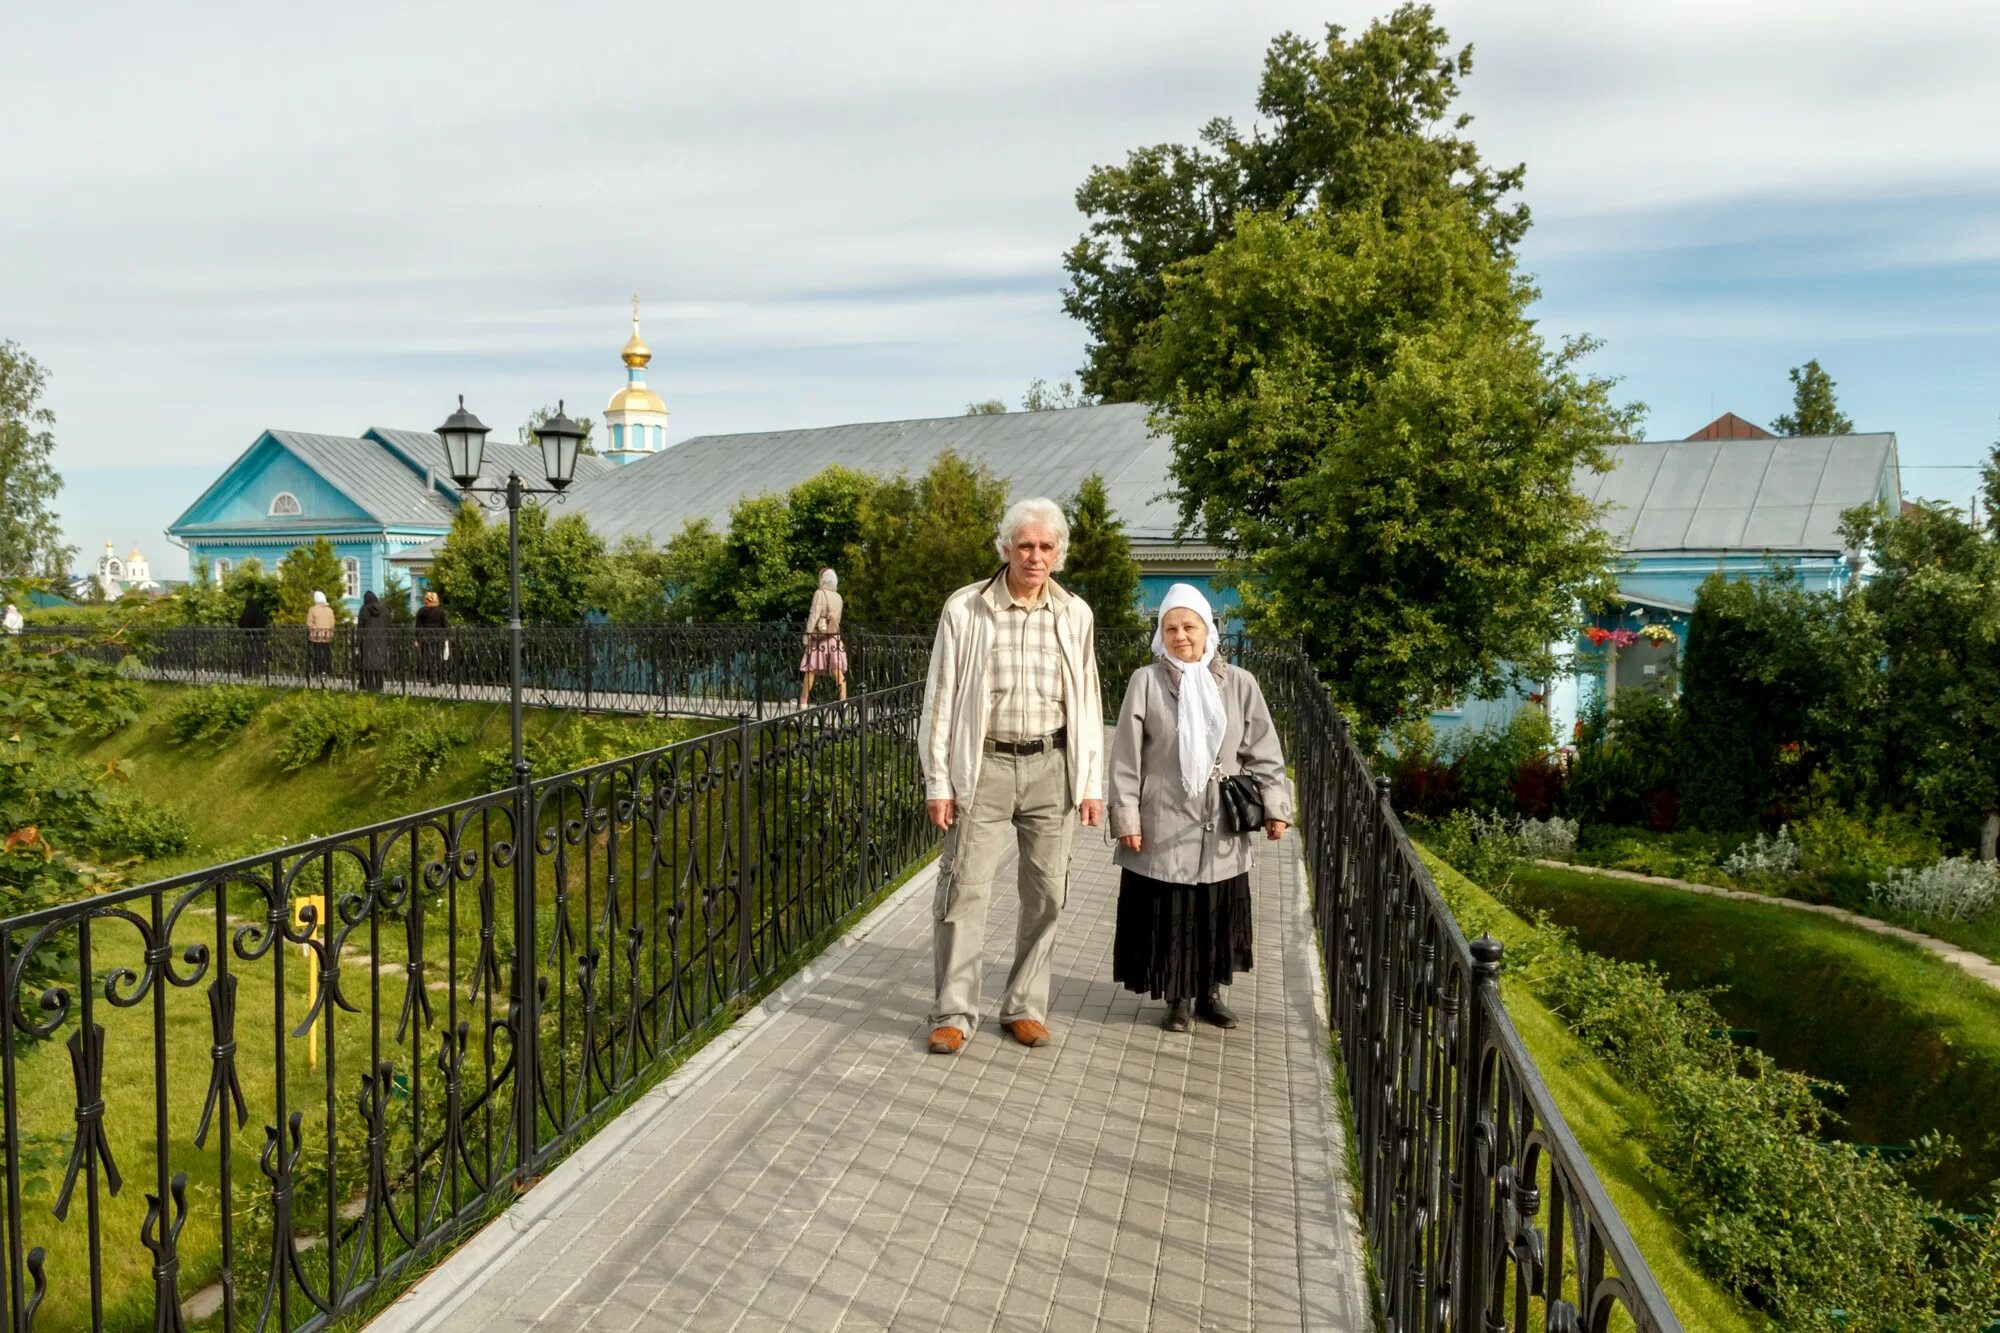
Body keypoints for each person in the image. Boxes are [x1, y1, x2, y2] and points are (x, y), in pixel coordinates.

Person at [920, 497, 1104, 1055]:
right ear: (1005, 548)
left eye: (1046, 547)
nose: (1035, 556)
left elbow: (1089, 699)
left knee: (1048, 892)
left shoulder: (1075, 614)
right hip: (985, 766)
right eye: (1025, 545)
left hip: (1052, 767)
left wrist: (1090, 782)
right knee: (964, 890)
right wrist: (938, 781)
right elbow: (941, 699)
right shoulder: (966, 609)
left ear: (1059, 555)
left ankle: (1024, 1007)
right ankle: (954, 1011)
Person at [1107, 584, 1292, 1032]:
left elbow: (1263, 750)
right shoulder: (1146, 682)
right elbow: (1126, 759)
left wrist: (1275, 806)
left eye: (1189, 626)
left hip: (1220, 822)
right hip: (1162, 819)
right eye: (1170, 627)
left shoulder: (1240, 683)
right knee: (1171, 910)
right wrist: (1126, 819)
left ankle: (1210, 994)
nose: (1180, 636)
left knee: (1214, 908)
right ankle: (1177, 1000)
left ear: (1208, 629)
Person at [799, 568, 847, 706]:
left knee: (810, 670)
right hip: (834, 638)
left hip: (818, 637)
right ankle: (844, 701)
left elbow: (814, 615)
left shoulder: (819, 593)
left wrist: (806, 637)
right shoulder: (838, 597)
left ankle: (803, 702)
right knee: (837, 669)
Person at [415, 590, 449, 685]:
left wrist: (417, 639)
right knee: (438, 657)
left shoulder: (422, 611)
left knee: (428, 657)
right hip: (439, 636)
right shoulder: (441, 611)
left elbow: (418, 626)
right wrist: (446, 638)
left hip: (426, 637)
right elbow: (445, 625)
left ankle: (431, 677)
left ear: (426, 600)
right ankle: (437, 677)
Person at [357, 590, 387, 692]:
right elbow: (388, 623)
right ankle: (379, 685)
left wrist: (359, 640)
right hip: (381, 638)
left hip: (367, 639)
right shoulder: (383, 609)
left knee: (367, 661)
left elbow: (360, 626)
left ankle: (367, 684)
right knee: (379, 661)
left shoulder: (364, 609)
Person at [237, 591, 270, 677]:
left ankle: (247, 673)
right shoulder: (259, 612)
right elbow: (264, 623)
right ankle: (257, 672)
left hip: (248, 638)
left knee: (247, 655)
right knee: (257, 655)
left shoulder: (246, 612)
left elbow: (241, 624)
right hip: (259, 638)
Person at [305, 591, 335, 684]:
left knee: (316, 656)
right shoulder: (330, 610)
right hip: (327, 636)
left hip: (316, 636)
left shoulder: (312, 609)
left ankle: (317, 673)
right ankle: (325, 673)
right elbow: (332, 623)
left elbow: (309, 623)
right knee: (326, 655)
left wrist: (313, 629)